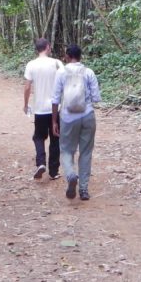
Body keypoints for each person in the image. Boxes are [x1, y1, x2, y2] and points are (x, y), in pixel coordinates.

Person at [52, 44, 101, 201]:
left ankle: (71, 175)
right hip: (87, 116)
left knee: (66, 150)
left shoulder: (61, 72)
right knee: (86, 152)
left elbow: (55, 99)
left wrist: (54, 121)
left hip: (67, 117)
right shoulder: (89, 72)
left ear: (66, 56)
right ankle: (84, 189)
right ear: (81, 56)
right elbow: (96, 98)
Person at [23, 38, 63, 180]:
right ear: (47, 47)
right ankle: (54, 171)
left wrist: (26, 104)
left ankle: (41, 163)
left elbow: (27, 87)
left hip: (39, 108)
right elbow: (64, 82)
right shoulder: (57, 63)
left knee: (39, 137)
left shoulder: (31, 65)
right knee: (55, 138)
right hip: (55, 108)